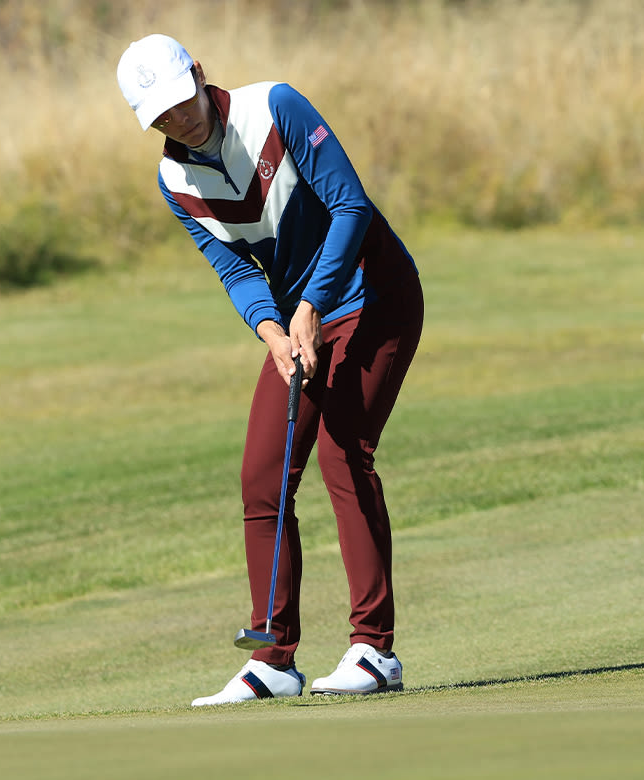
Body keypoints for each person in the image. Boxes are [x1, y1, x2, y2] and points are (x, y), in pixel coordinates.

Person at [115, 34, 422, 702]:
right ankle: (273, 659)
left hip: (375, 296)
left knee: (344, 456)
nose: (179, 119)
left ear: (198, 74)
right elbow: (232, 266)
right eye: (160, 115)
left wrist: (311, 304)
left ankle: (374, 652)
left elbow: (350, 206)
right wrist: (272, 330)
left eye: (180, 100)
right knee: (263, 476)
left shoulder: (275, 108)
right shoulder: (176, 180)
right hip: (299, 322)